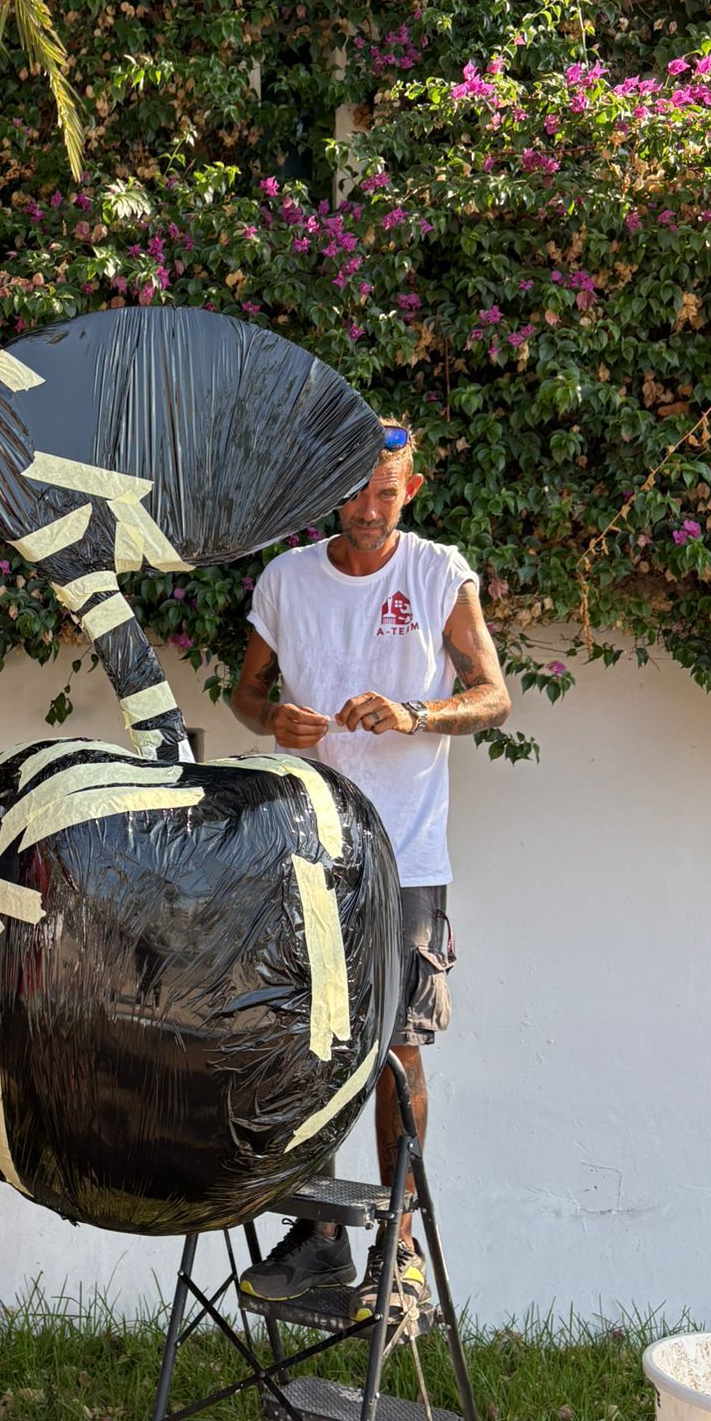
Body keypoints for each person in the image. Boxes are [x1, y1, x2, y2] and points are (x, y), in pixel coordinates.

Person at [229, 425, 510, 1316]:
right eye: (356, 492)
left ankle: (401, 1245)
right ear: (332, 491)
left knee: (397, 1047)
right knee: (299, 1043)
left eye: (387, 493)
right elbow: (244, 695)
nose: (369, 509)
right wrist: (272, 721)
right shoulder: (286, 581)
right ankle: (318, 1240)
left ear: (410, 490)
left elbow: (494, 695)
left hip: (407, 855)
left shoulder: (436, 573)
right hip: (305, 848)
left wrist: (417, 712)